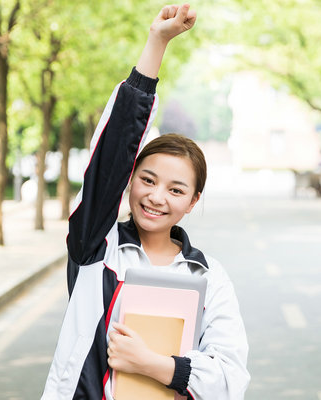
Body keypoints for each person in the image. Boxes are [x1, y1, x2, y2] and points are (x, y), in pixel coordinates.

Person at [41, 5, 250, 399]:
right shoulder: (97, 251)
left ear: (193, 201)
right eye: (147, 180)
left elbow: (229, 380)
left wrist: (151, 363)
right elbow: (111, 155)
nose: (156, 197)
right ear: (129, 181)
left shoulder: (208, 278)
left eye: (176, 190)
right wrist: (157, 42)